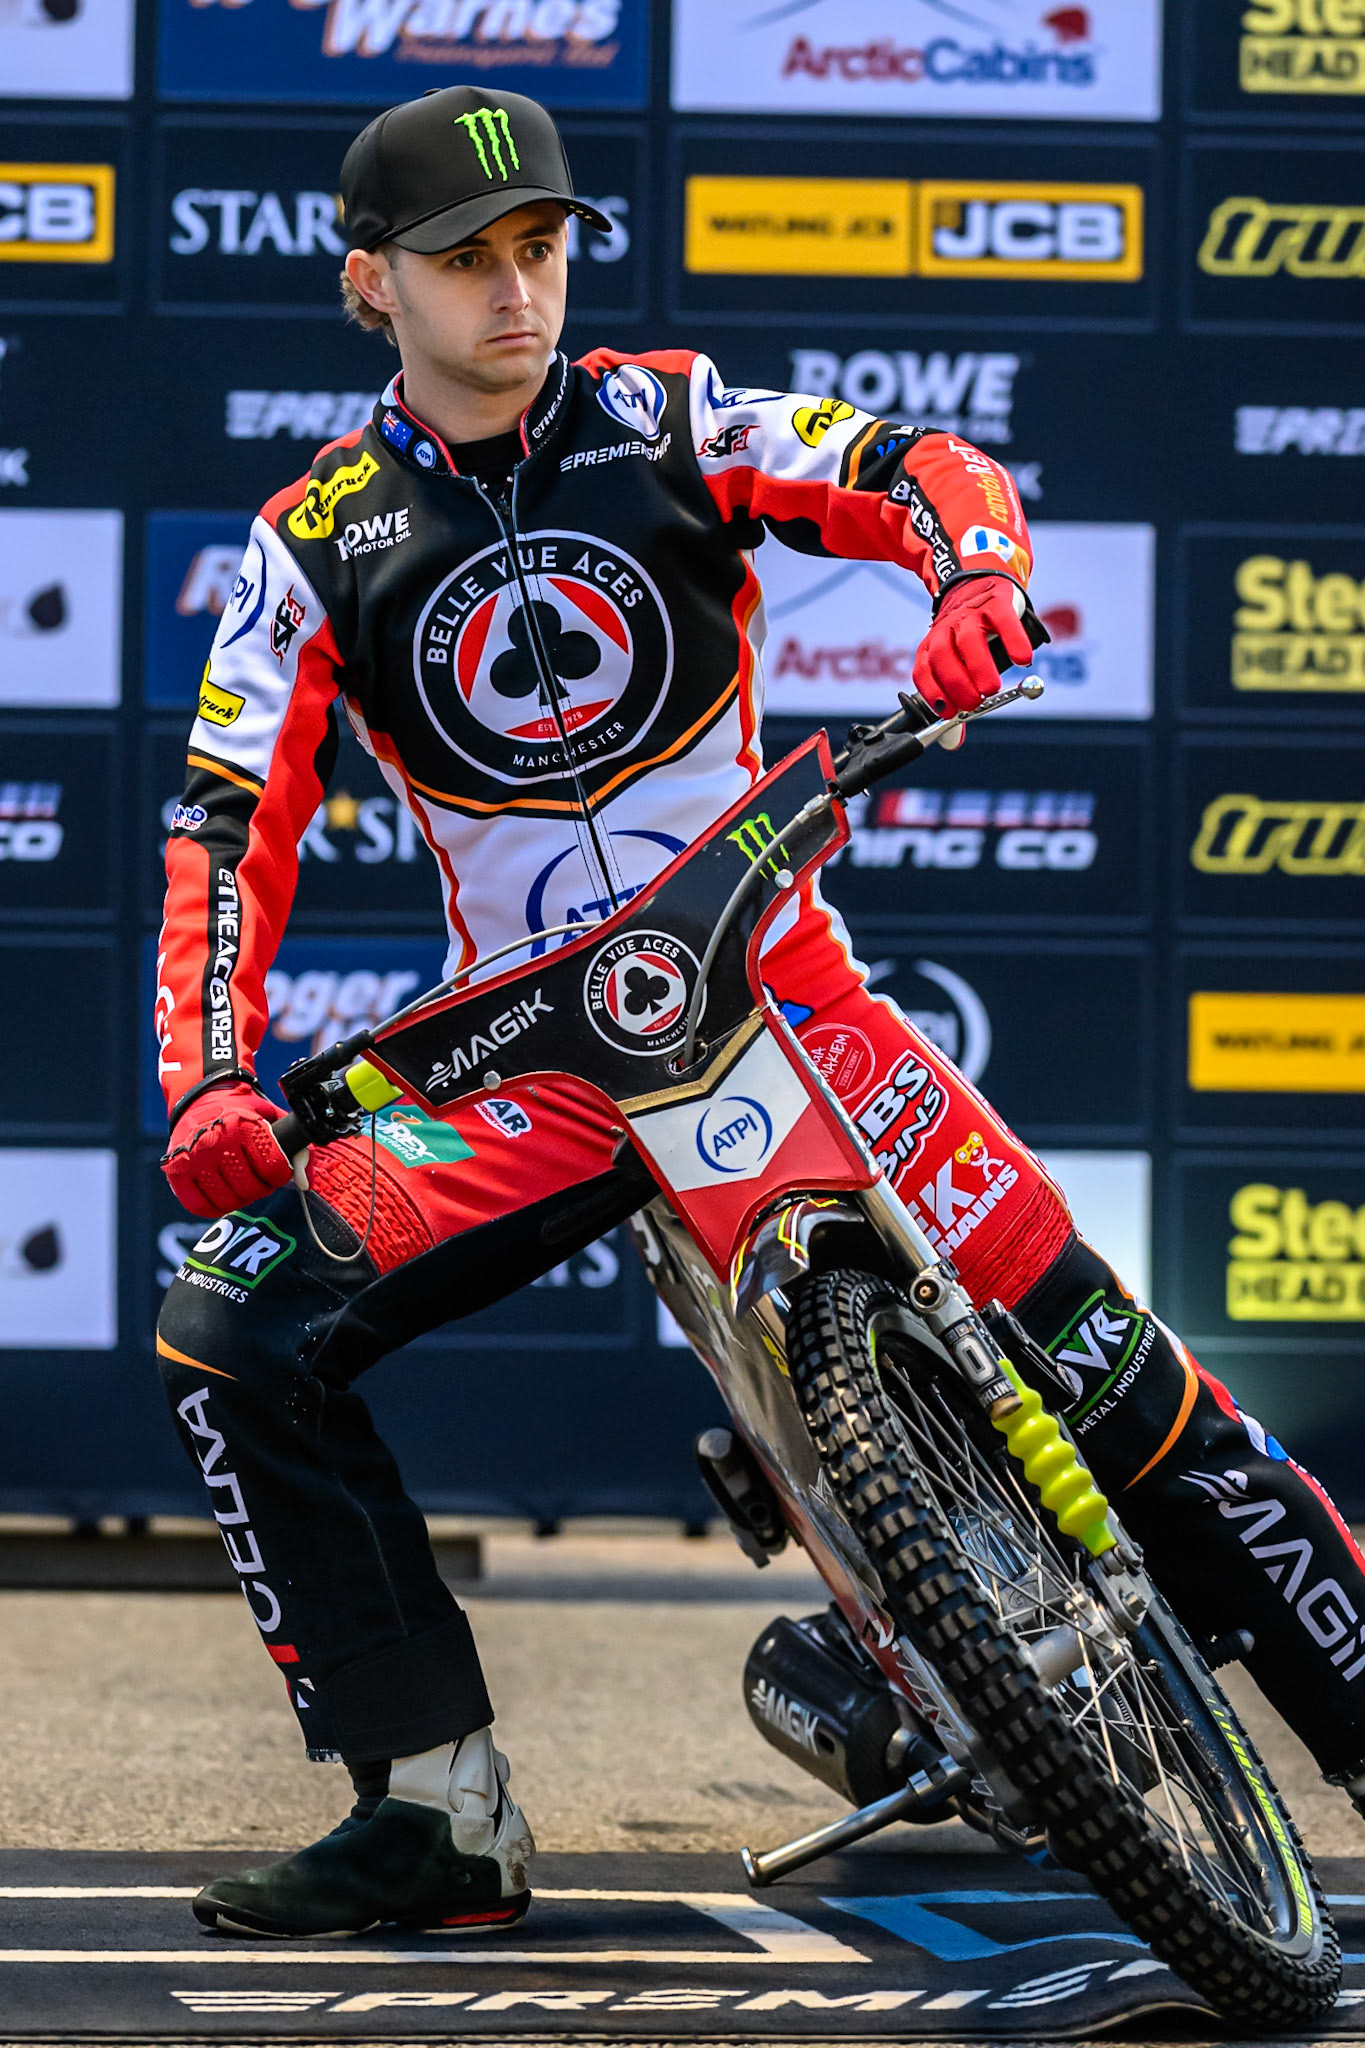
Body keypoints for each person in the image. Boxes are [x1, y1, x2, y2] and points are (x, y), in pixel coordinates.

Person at [155, 84, 1365, 1939]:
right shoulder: (310, 539)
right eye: (464, 262)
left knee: (1116, 1379)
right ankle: (435, 1811)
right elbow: (228, 827)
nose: (513, 293)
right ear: (365, 284)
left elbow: (910, 469)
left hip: (778, 994)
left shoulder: (668, 417)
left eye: (539, 249)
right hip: (534, 1068)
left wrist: (978, 577)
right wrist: (211, 1079)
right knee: (233, 1327)